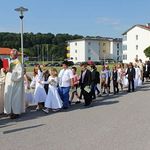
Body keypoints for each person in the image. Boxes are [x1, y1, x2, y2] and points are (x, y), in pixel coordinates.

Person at [4, 49, 24, 119]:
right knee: (9, 97)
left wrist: (11, 71)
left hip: (15, 83)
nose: (10, 55)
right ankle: (9, 111)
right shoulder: (12, 62)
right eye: (10, 54)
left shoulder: (18, 62)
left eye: (11, 54)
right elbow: (9, 70)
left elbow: (20, 74)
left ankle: (16, 112)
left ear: (15, 55)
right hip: (9, 82)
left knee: (15, 98)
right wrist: (5, 70)